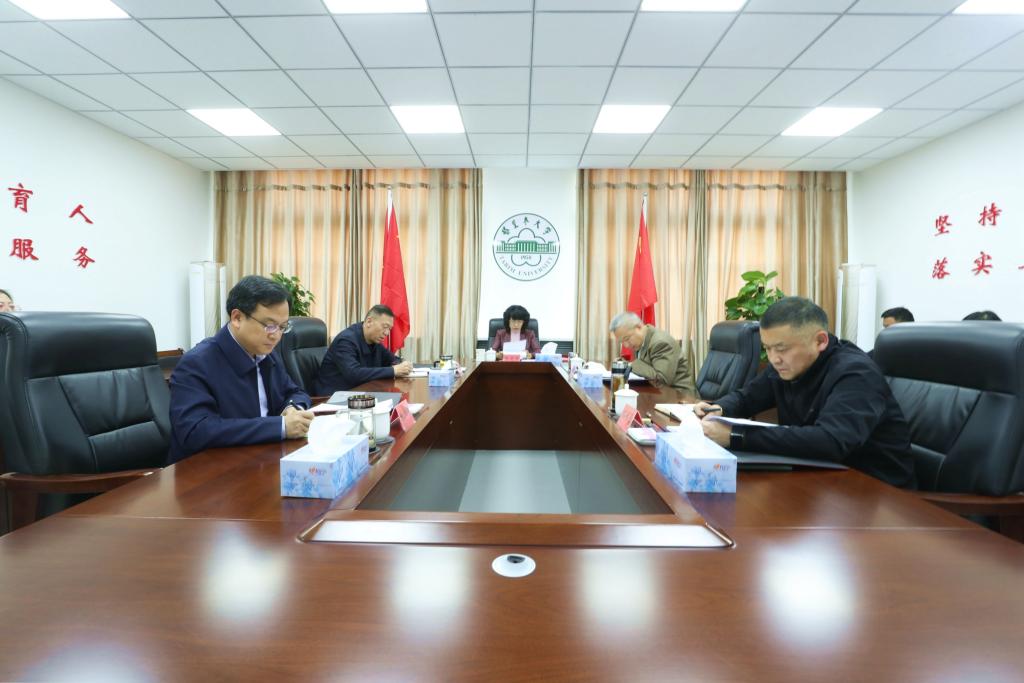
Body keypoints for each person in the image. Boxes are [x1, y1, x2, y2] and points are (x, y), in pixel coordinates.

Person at [696, 296, 915, 488]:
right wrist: (720, 408)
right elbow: (748, 397)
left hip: (878, 492)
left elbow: (830, 441)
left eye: (781, 349)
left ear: (820, 341)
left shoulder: (856, 373)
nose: (773, 358)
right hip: (820, 478)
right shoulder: (786, 365)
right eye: (767, 348)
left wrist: (736, 436)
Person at [168, 275, 313, 464]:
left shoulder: (266, 354)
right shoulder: (197, 363)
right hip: (209, 470)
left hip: (261, 459)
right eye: (269, 326)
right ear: (237, 318)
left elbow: (295, 391)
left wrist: (292, 408)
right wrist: (280, 427)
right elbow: (195, 431)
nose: (276, 335)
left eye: (282, 327)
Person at [315, 304, 413, 395]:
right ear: (369, 322)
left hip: (360, 394)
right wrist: (393, 371)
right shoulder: (346, 340)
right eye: (385, 327)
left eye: (389, 329)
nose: (387, 333)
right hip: (333, 397)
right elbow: (354, 374)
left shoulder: (375, 341)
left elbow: (391, 359)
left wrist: (402, 364)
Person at [609, 311, 695, 394]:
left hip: (680, 397)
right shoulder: (642, 340)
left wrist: (631, 365)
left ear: (639, 327)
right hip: (657, 394)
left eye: (627, 339)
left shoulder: (660, 343)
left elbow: (661, 381)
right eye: (622, 342)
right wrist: (625, 364)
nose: (626, 345)